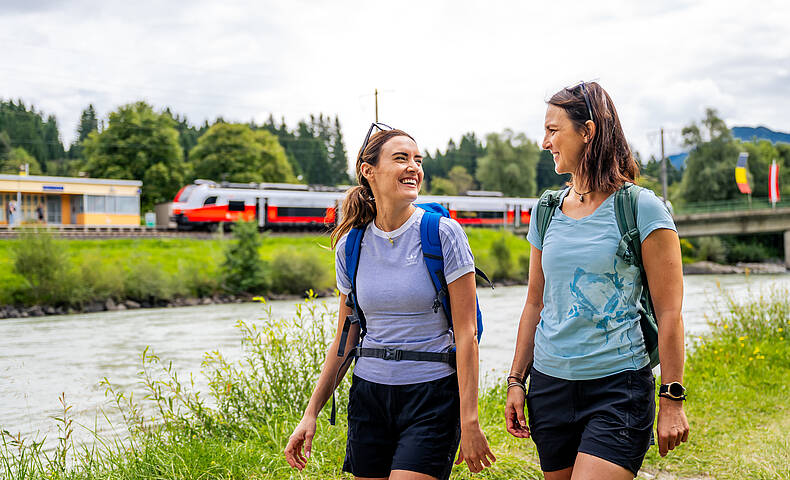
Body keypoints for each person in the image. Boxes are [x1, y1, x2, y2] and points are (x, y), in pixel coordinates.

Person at [284, 124, 495, 479]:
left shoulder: (443, 234)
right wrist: (311, 414)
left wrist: (469, 420)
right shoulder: (351, 246)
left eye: (417, 160)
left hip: (431, 397)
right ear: (369, 171)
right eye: (401, 159)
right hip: (369, 398)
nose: (413, 167)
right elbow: (344, 340)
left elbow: (466, 332)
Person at [504, 82, 689, 479]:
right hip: (550, 388)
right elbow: (535, 302)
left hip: (617, 388)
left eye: (553, 131)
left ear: (587, 131)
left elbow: (670, 311)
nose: (544, 141)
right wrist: (516, 380)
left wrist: (672, 398)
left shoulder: (641, 207)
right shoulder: (547, 209)